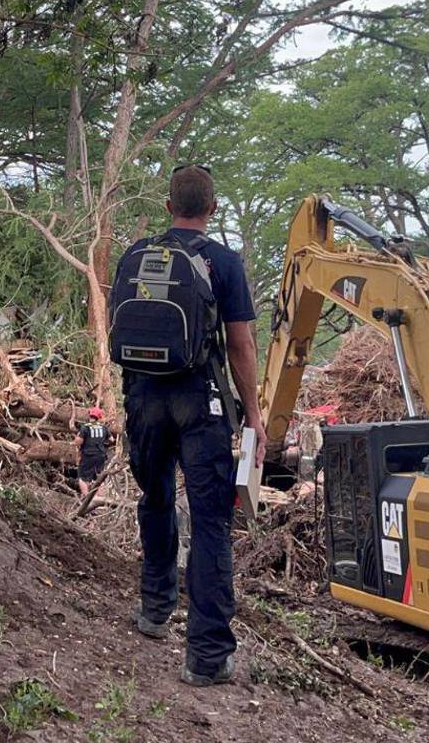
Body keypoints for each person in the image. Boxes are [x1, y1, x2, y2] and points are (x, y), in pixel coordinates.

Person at [113, 164, 267, 687]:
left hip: (143, 400)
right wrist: (255, 413)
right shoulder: (222, 261)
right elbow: (242, 345)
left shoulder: (135, 257)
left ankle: (155, 609)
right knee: (210, 522)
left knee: (154, 498)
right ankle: (206, 657)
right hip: (200, 404)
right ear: (213, 208)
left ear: (167, 207)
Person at [75, 406, 112, 498]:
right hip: (101, 455)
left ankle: (86, 499)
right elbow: (111, 439)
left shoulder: (85, 427)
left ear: (90, 415)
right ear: (99, 417)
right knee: (99, 478)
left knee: (83, 478)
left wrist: (75, 440)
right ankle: (100, 500)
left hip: (88, 455)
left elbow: (78, 442)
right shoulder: (104, 427)